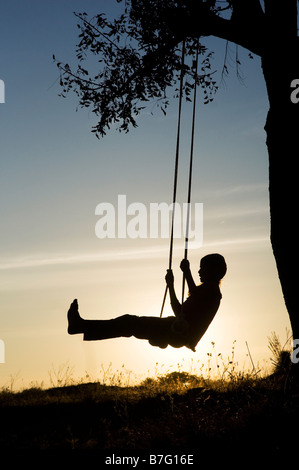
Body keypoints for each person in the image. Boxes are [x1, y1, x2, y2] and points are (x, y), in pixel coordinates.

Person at [67, 253, 227, 352]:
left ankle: (80, 326)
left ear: (213, 270)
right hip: (174, 331)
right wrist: (171, 286)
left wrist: (187, 272)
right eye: (199, 268)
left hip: (175, 332)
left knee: (128, 322)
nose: (199, 271)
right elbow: (179, 311)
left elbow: (196, 294)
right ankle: (80, 326)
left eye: (202, 268)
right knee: (128, 324)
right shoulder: (205, 293)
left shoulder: (213, 290)